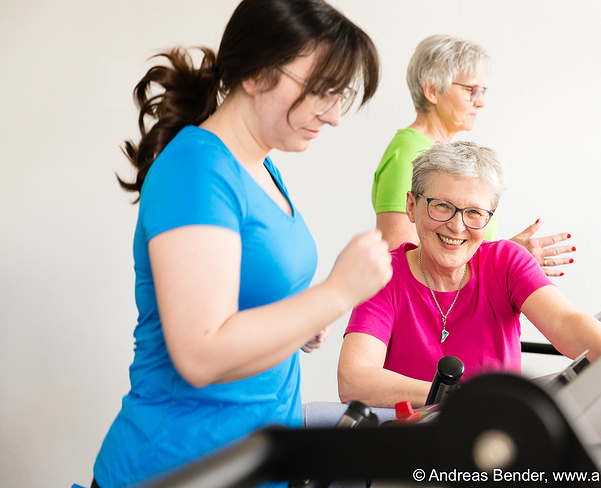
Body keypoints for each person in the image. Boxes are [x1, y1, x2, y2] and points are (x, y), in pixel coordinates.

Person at [92, 1, 392, 487]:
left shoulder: (262, 166)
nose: (335, 116)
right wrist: (335, 293)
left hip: (256, 462)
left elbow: (243, 301)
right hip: (181, 466)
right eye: (321, 91)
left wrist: (300, 320)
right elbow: (201, 354)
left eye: (341, 96)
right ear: (255, 74)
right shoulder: (197, 169)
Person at [339, 141, 601, 408]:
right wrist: (460, 396)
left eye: (474, 212)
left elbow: (565, 322)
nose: (457, 226)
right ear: (411, 206)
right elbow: (353, 380)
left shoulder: (506, 261)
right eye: (442, 206)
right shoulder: (383, 275)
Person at [372, 34, 574, 276]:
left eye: (482, 91)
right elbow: (401, 265)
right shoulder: (409, 153)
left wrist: (508, 257)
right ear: (432, 90)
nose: (481, 103)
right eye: (471, 90)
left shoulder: (442, 155)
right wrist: (505, 258)